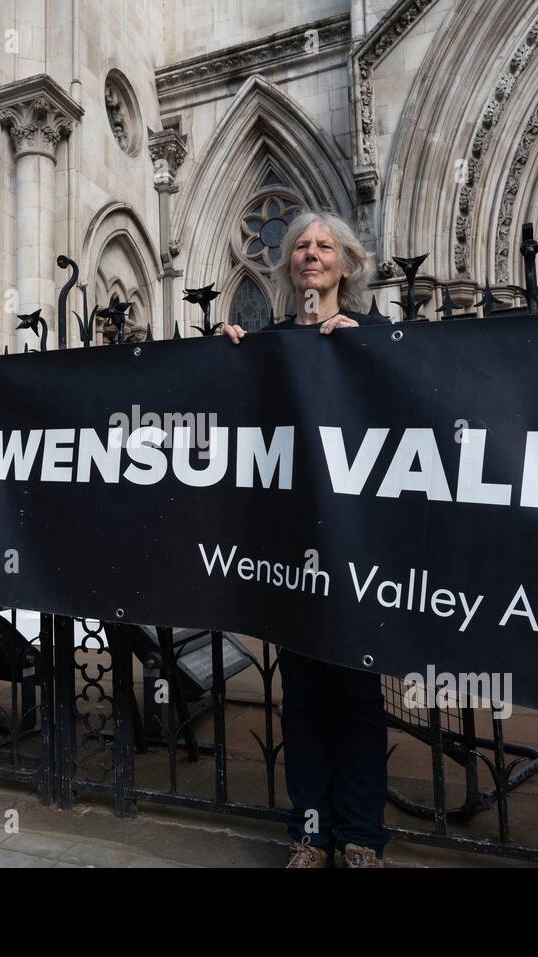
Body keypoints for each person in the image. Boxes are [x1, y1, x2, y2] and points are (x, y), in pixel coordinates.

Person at [224, 210, 389, 867]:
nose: (311, 255)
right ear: (288, 265)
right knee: (303, 698)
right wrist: (228, 352)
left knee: (356, 695)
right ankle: (310, 834)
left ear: (345, 264)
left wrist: (372, 353)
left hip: (354, 553)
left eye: (324, 247)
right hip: (289, 553)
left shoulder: (373, 335)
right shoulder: (265, 344)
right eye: (301, 247)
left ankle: (362, 838)